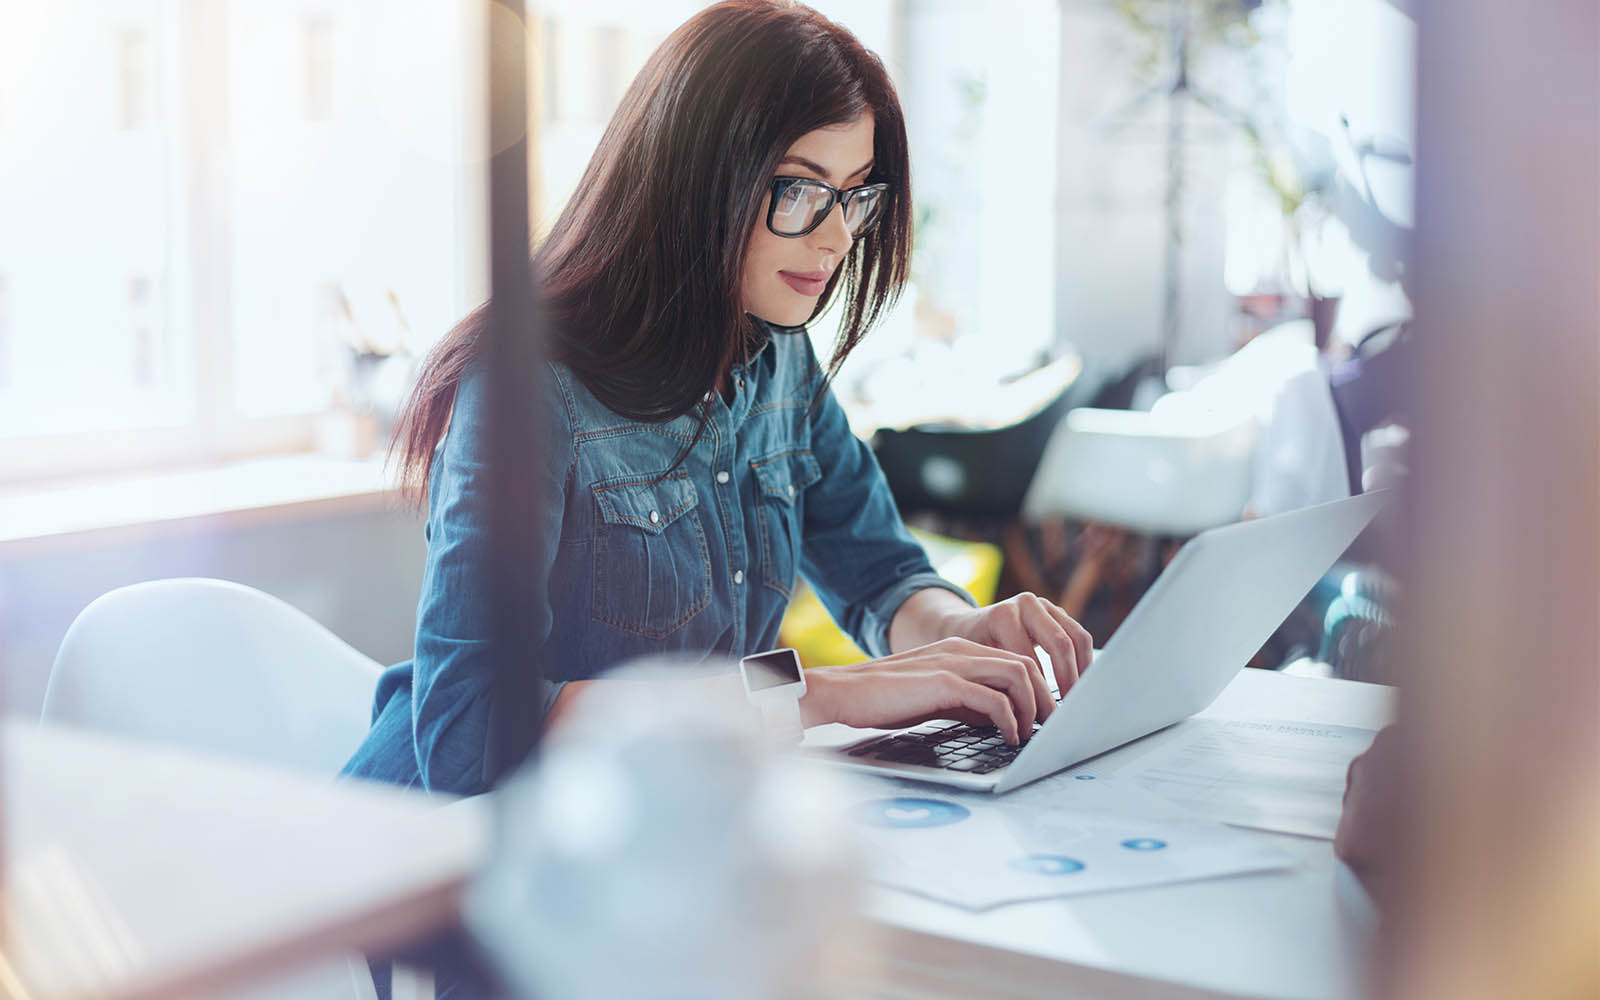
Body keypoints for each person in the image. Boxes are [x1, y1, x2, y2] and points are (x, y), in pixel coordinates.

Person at [341, 0, 1093, 801]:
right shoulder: (529, 390)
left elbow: (877, 566)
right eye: (802, 191)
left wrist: (958, 634)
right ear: (696, 182)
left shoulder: (776, 356)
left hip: (660, 833)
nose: (839, 237)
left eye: (856, 195)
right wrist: (815, 694)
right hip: (444, 861)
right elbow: (472, 732)